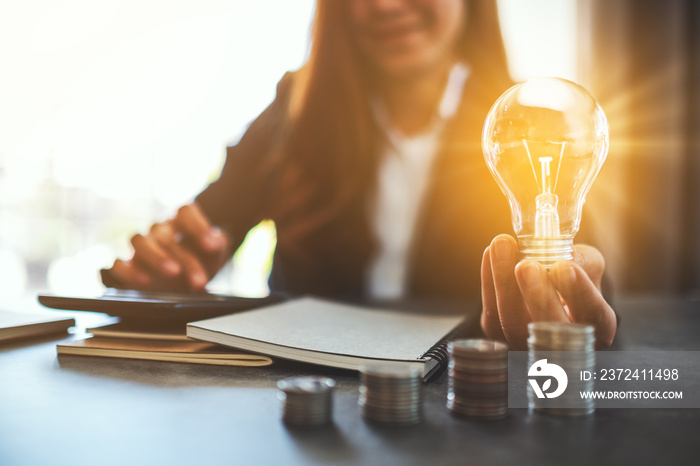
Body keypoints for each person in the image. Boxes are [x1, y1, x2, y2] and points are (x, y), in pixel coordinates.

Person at [104, 0, 617, 350]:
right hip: (308, 406)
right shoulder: (293, 112)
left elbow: (589, 286)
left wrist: (567, 311)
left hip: (461, 415)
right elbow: (201, 235)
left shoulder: (531, 131)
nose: (387, 5)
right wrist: (171, 271)